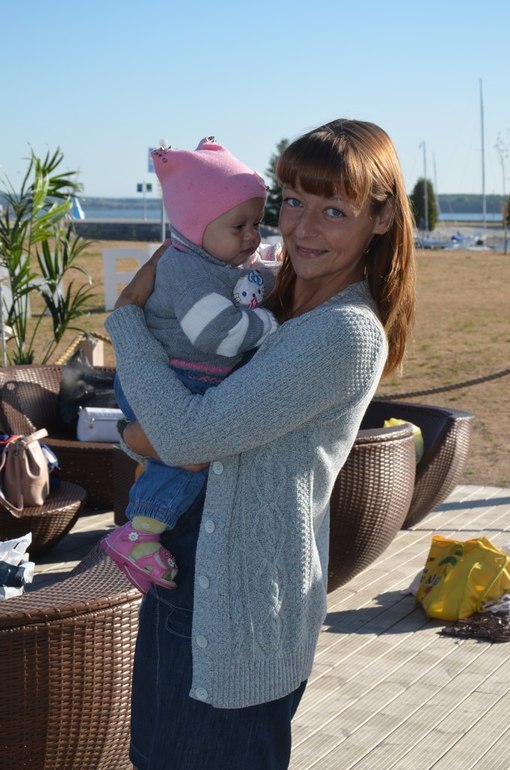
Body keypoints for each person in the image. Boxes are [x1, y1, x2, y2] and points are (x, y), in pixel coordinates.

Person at [104, 118, 416, 770]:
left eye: (335, 210)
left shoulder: (343, 333)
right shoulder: (266, 293)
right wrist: (143, 437)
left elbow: (184, 434)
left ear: (382, 218)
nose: (303, 228)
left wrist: (127, 320)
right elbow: (176, 429)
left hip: (240, 619)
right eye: (294, 201)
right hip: (185, 576)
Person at [102, 137, 279, 592]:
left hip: (188, 375)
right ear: (196, 227)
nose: (252, 236)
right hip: (171, 375)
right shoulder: (186, 272)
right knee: (184, 459)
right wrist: (269, 323)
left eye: (256, 224)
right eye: (239, 226)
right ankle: (139, 533)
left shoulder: (217, 258)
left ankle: (143, 529)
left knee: (181, 455)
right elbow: (219, 334)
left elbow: (253, 281)